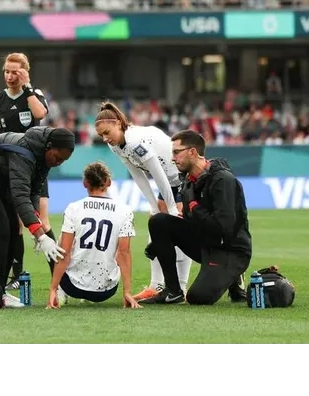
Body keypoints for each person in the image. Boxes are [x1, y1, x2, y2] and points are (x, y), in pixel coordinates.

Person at [0, 126, 75, 308]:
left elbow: (33, 192)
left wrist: (36, 224)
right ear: (49, 146)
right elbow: (20, 196)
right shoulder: (24, 153)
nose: (58, 162)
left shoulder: (43, 157)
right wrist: (40, 235)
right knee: (0, 231)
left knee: (13, 228)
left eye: (63, 160)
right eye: (57, 157)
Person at [93, 101, 192, 301]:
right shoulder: (116, 146)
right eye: (101, 135)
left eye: (107, 132)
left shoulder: (135, 141)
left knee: (179, 225)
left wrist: (171, 207)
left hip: (183, 177)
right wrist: (154, 207)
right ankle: (156, 286)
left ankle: (180, 287)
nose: (105, 138)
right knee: (156, 224)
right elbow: (138, 176)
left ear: (118, 123)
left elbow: (158, 174)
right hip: (169, 181)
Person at [140, 129, 252, 305]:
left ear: (192, 152)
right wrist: (160, 242)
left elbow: (224, 226)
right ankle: (173, 292)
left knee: (197, 298)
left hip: (230, 249)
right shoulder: (189, 181)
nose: (172, 158)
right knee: (159, 221)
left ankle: (234, 275)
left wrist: (194, 207)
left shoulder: (223, 180)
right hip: (208, 243)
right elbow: (190, 221)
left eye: (176, 152)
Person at [0, 52, 51, 291]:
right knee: (15, 223)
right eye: (6, 71)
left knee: (41, 221)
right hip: (9, 167)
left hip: (34, 166)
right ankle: (17, 274)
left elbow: (40, 114)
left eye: (15, 72)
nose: (9, 76)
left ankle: (59, 276)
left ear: (25, 72)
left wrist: (28, 88)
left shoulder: (34, 94)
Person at [46, 161, 141, 310]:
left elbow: (65, 252)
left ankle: (60, 291)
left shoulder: (73, 208)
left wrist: (53, 289)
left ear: (85, 183)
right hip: (106, 291)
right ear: (108, 182)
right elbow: (124, 253)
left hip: (72, 287)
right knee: (116, 247)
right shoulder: (125, 210)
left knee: (59, 244)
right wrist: (127, 292)